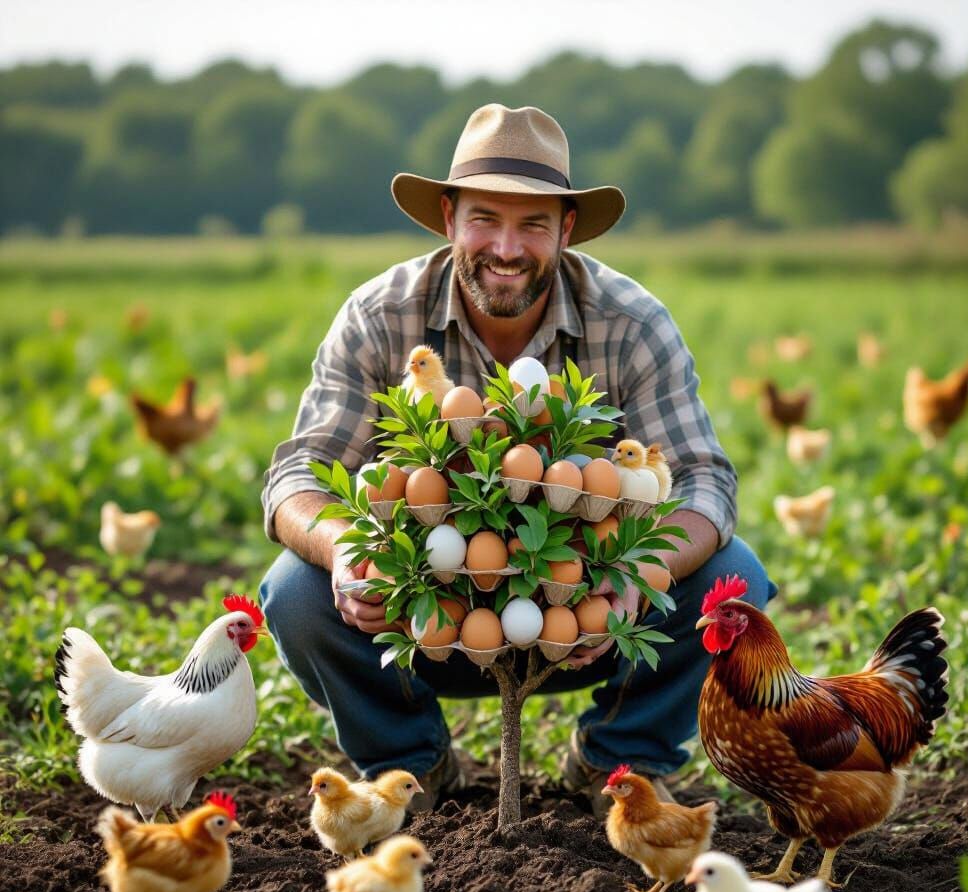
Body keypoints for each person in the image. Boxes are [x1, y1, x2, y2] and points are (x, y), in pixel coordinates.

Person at [260, 104, 775, 815]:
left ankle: (618, 762)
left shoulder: (630, 324)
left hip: (587, 614)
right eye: (485, 220)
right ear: (448, 217)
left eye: (533, 224)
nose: (506, 248)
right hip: (421, 608)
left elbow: (704, 481)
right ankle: (412, 763)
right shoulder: (380, 317)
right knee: (295, 591)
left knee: (735, 577)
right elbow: (298, 474)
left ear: (566, 229)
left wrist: (641, 568)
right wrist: (346, 549)